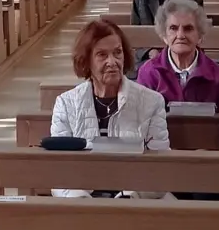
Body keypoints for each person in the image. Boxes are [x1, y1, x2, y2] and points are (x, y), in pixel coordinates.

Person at [49, 19, 169, 196]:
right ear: (86, 61)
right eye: (102, 55)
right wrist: (81, 202)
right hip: (82, 204)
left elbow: (161, 167)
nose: (112, 61)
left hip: (136, 201)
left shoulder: (152, 101)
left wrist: (131, 197)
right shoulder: (66, 104)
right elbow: (60, 170)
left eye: (117, 53)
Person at [133, 0, 219, 107]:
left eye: (188, 28)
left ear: (200, 36)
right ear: (164, 36)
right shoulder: (149, 73)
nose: (180, 35)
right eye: (173, 28)